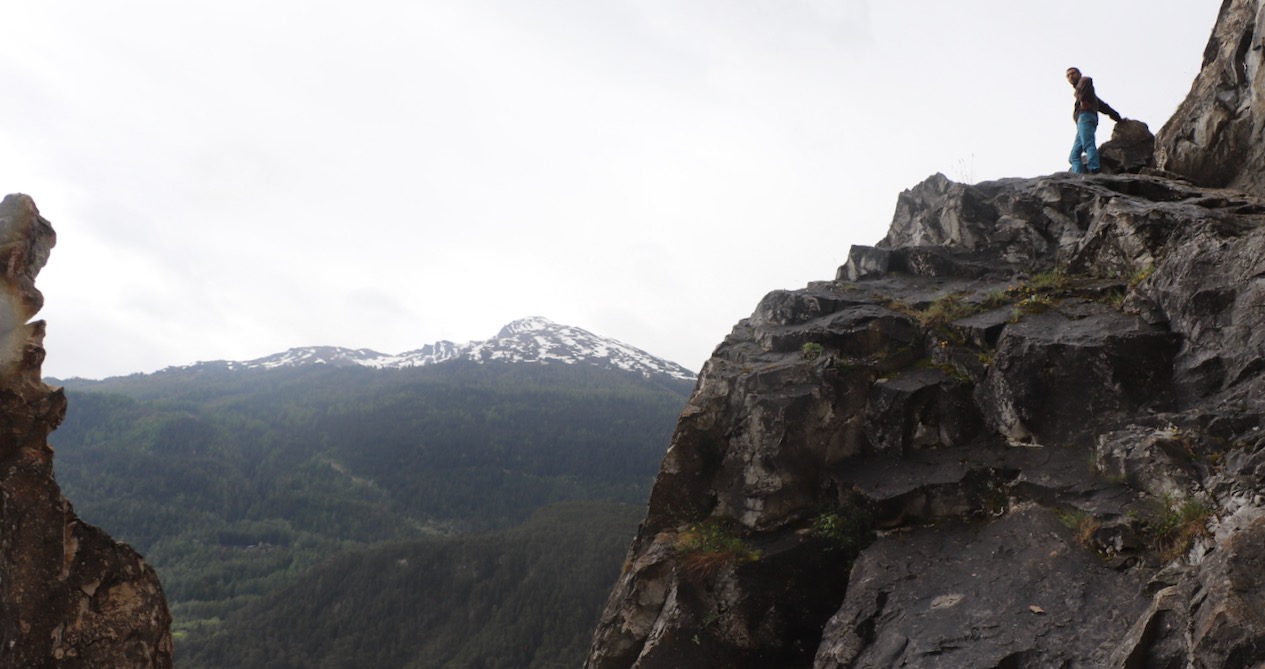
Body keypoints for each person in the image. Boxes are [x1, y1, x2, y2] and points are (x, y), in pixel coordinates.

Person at [1066, 67, 1123, 174]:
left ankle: (1094, 169)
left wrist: (1083, 99)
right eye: (1068, 76)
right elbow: (1103, 106)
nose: (1071, 77)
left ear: (1079, 74)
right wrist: (1117, 117)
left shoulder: (1083, 83)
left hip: (1085, 117)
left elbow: (1087, 80)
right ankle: (1077, 175)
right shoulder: (1087, 93)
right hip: (1082, 123)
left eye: (1073, 73)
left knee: (1088, 144)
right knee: (1073, 156)